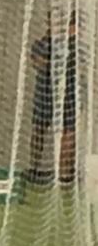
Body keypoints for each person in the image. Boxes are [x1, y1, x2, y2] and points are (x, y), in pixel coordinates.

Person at [27, 10, 85, 186]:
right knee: (39, 128)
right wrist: (54, 41)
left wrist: (72, 39)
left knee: (68, 132)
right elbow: (39, 62)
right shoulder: (43, 43)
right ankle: (34, 169)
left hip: (69, 93)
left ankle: (65, 175)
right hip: (45, 92)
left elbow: (80, 64)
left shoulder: (77, 45)